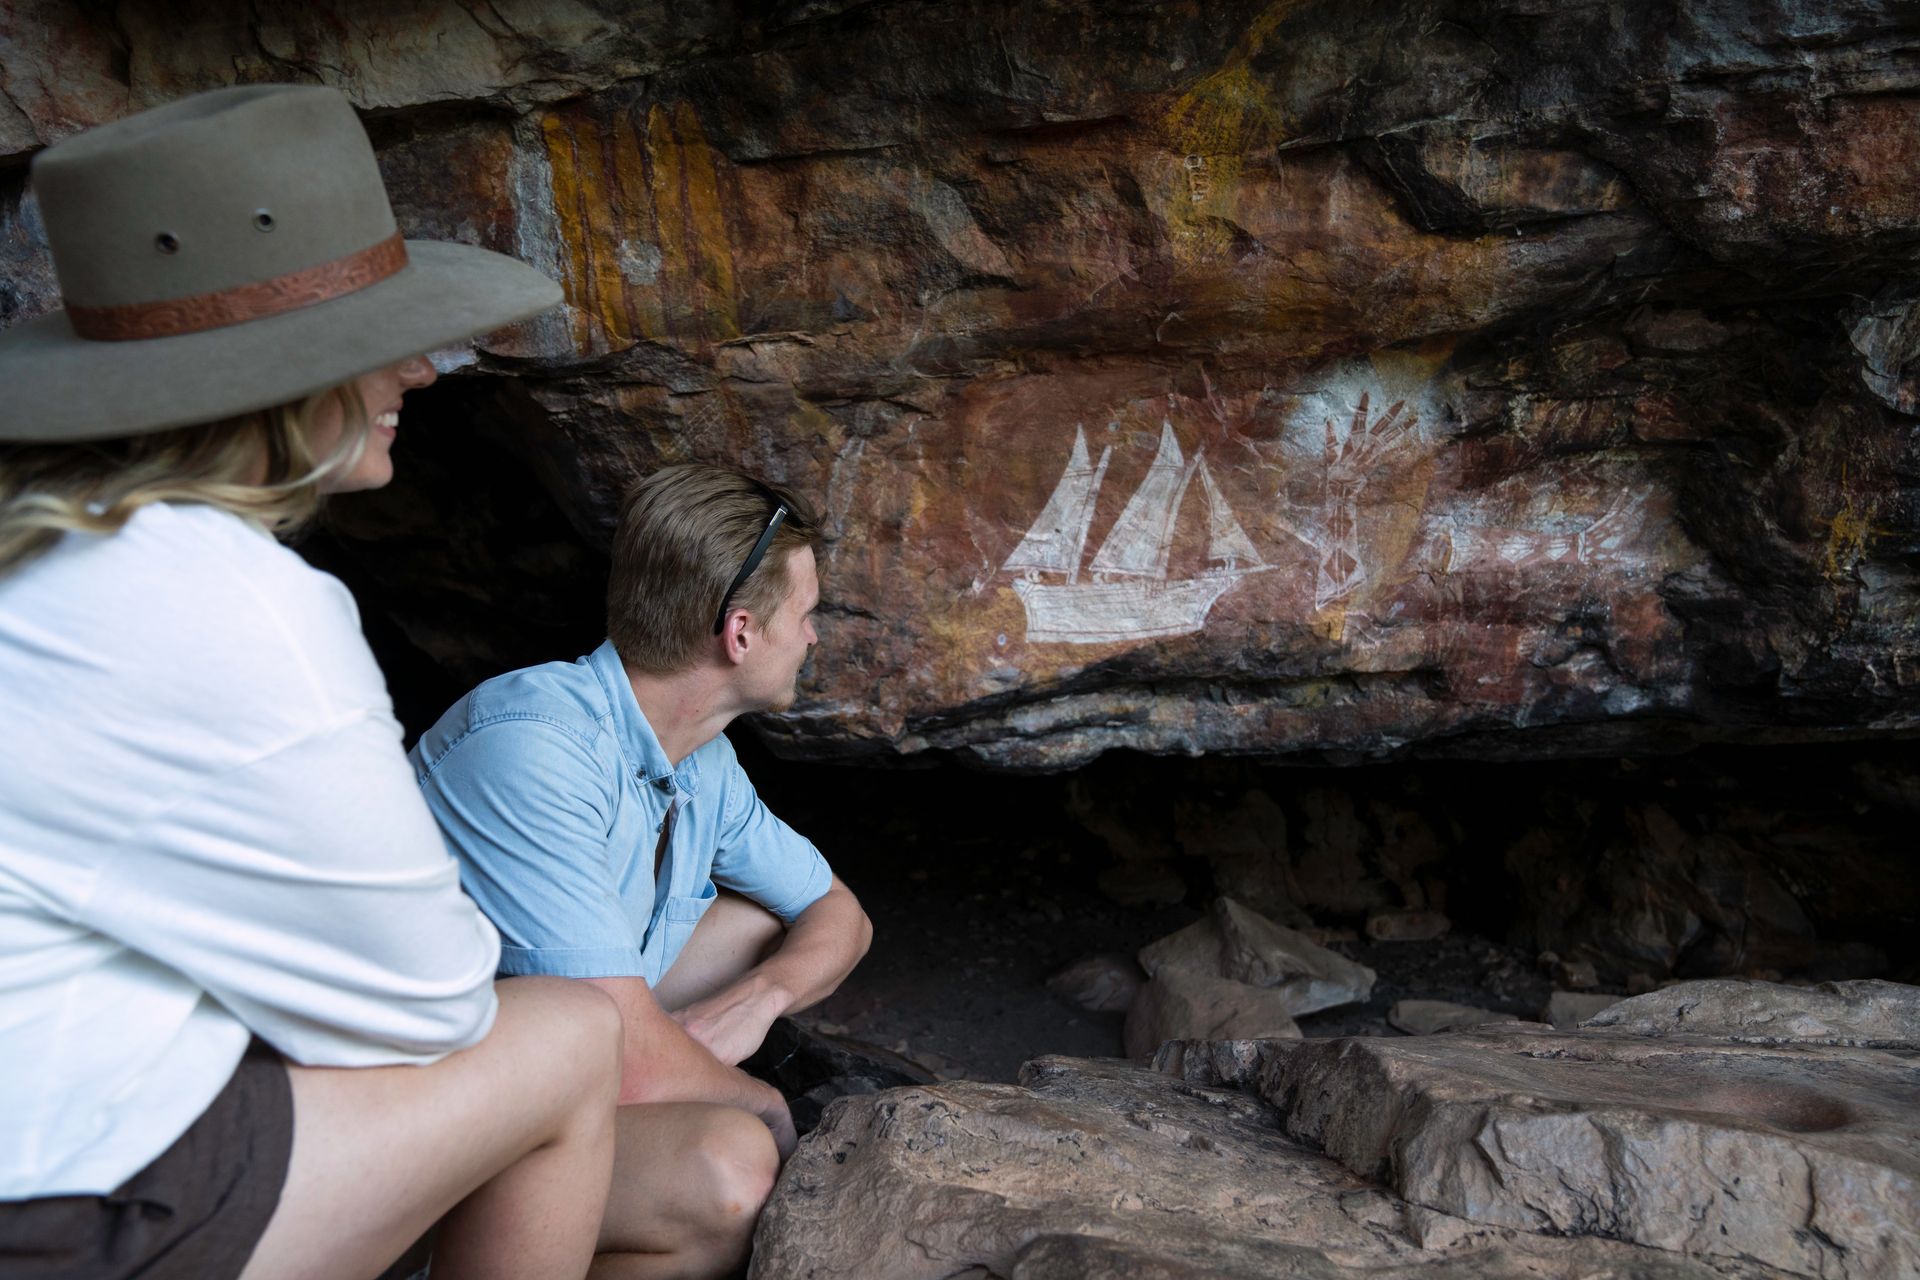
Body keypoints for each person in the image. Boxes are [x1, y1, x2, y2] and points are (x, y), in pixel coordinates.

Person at [0, 85, 626, 1280]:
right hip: (59, 1212)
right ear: (284, 376)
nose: (421, 371)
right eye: (371, 336)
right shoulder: (226, 598)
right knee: (569, 1038)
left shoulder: (46, 545)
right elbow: (429, 1007)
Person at [411, 464, 874, 1276]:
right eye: (806, 614)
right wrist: (770, 1106)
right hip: (419, 1124)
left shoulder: (703, 762)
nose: (813, 636)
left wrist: (757, 1001)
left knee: (759, 927)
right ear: (739, 634)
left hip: (541, 1068)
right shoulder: (534, 746)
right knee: (730, 1165)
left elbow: (840, 913)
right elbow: (616, 1054)